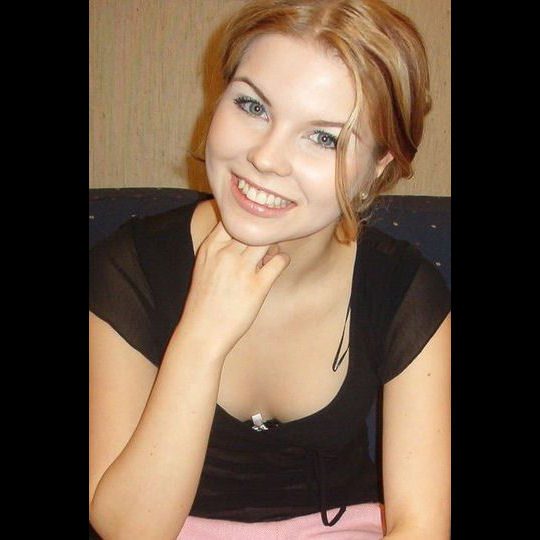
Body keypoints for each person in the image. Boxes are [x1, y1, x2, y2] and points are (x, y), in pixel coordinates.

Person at [89, 0, 451, 538]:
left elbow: (420, 524)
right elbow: (127, 528)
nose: (265, 157)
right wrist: (202, 335)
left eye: (324, 137)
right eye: (252, 106)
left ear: (378, 167)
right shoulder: (130, 268)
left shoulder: (402, 289)